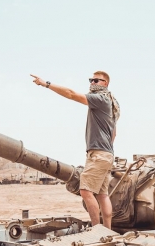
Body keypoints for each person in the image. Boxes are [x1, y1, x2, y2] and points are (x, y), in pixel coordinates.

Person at [30, 70, 120, 228]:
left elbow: (71, 94)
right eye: (91, 80)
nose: (92, 83)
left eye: (96, 80)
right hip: (107, 153)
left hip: (98, 154)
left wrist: (46, 84)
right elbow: (114, 133)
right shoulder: (111, 103)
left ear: (105, 84)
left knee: (85, 191)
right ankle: (107, 230)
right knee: (102, 194)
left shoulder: (100, 98)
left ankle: (97, 230)